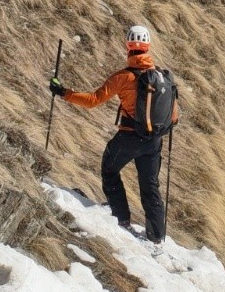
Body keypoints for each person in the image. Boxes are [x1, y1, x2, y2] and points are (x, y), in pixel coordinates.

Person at [51, 24, 175, 243]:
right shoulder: (162, 77)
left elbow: (92, 101)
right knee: (150, 186)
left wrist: (63, 93)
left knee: (109, 170)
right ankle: (157, 238)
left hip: (128, 137)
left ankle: (121, 218)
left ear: (128, 46)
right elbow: (173, 116)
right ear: (148, 47)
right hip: (154, 141)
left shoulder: (123, 78)